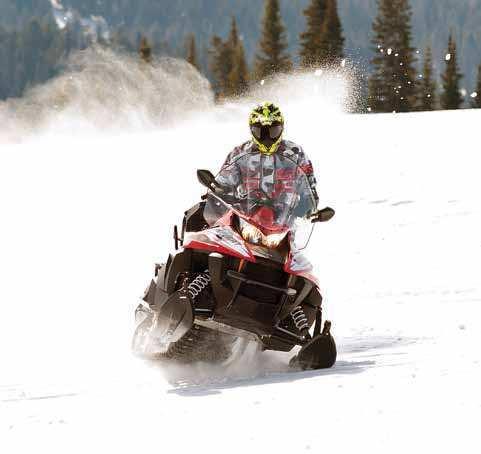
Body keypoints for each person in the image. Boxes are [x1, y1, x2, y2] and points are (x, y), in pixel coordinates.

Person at [215, 102, 319, 237]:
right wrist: (218, 191)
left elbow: (309, 190)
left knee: (299, 259)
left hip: (284, 229)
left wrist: (308, 208)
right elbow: (222, 183)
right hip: (244, 223)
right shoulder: (240, 153)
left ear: (281, 129)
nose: (267, 138)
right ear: (252, 130)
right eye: (261, 132)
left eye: (272, 131)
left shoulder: (295, 153)